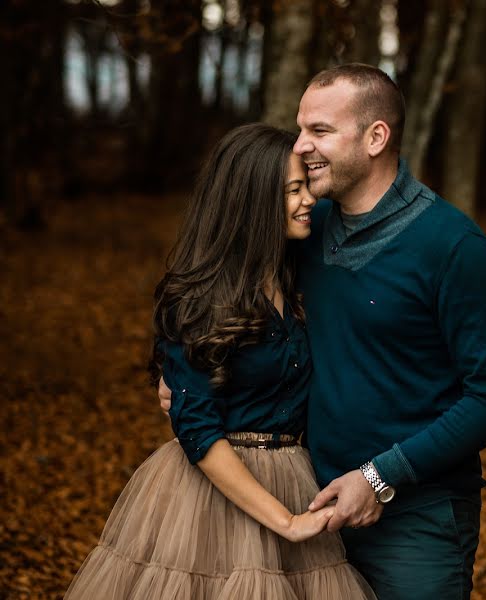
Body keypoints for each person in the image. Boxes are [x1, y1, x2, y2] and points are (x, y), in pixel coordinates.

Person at [162, 64, 486, 599]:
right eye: (301, 127)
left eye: (320, 131)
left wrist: (381, 476)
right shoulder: (305, 230)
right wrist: (183, 375)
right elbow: (225, 289)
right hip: (306, 502)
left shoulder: (451, 246)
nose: (302, 144)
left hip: (416, 519)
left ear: (376, 137)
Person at [66, 123, 376, 599]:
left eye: (305, 187)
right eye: (293, 190)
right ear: (253, 202)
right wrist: (286, 521)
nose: (308, 200)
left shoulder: (297, 277)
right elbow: (196, 428)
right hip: (212, 495)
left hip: (296, 474)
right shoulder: (197, 295)